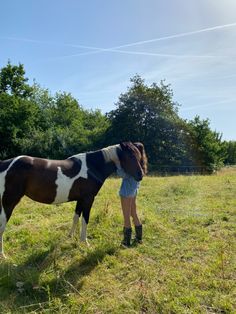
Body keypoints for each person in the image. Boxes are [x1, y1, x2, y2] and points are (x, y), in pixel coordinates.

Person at [117, 143, 147, 247]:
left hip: (126, 193)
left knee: (126, 216)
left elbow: (122, 174)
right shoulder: (141, 165)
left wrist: (118, 165)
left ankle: (126, 242)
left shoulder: (133, 166)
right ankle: (139, 238)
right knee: (133, 213)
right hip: (133, 192)